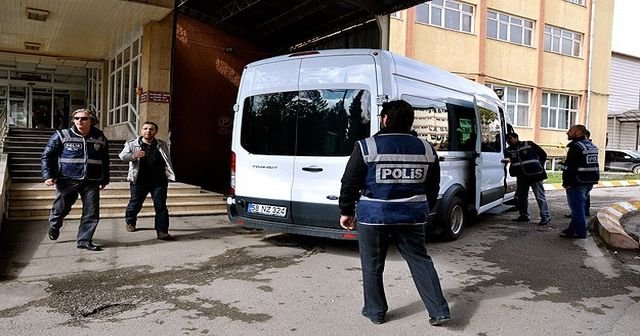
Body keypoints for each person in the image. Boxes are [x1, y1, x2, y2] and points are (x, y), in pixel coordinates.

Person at [338, 100, 450, 327]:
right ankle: (439, 311)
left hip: (374, 216)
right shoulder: (427, 149)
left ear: (385, 119)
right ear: (410, 122)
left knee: (372, 264)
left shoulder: (366, 147)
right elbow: (433, 186)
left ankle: (376, 311)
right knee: (420, 261)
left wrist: (346, 210)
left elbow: (350, 182)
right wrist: (423, 208)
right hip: (412, 216)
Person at [41, 108, 110, 251]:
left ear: (92, 121)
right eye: (77, 118)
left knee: (91, 211)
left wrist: (105, 178)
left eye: (84, 118)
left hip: (92, 180)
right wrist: (48, 175)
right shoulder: (62, 135)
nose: (80, 121)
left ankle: (84, 240)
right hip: (67, 179)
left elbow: (105, 159)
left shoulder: (100, 136)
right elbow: (47, 156)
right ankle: (55, 225)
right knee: (61, 208)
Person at [119, 121, 176, 240]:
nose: (148, 131)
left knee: (160, 206)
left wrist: (168, 174)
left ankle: (162, 231)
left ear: (155, 131)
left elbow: (167, 159)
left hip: (159, 180)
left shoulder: (162, 144)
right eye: (145, 128)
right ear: (141, 130)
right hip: (140, 180)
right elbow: (123, 156)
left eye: (151, 129)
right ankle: (130, 222)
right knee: (135, 203)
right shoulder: (132, 144)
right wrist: (134, 155)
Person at [504, 132, 551, 225]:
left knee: (539, 196)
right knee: (522, 197)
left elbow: (543, 154)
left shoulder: (528, 144)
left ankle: (545, 216)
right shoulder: (508, 150)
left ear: (516, 137)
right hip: (521, 176)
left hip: (536, 175)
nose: (509, 141)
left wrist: (539, 166)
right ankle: (524, 215)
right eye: (507, 139)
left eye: (510, 138)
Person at [561, 124, 599, 239]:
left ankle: (581, 232)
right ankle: (572, 229)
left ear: (577, 132)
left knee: (577, 208)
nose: (567, 133)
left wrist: (566, 182)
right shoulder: (590, 145)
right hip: (589, 180)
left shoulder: (576, 146)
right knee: (579, 206)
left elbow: (571, 167)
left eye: (570, 131)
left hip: (577, 182)